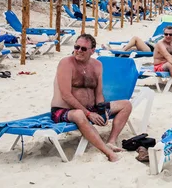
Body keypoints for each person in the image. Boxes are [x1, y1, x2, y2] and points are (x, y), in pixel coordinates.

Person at [51, 34, 132, 162]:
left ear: (92, 51)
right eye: (76, 47)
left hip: (90, 108)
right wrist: (88, 114)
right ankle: (108, 152)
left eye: (83, 48)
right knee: (79, 114)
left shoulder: (97, 65)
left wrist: (101, 110)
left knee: (126, 104)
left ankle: (111, 141)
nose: (78, 51)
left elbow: (98, 93)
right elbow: (66, 95)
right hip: (64, 110)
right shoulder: (66, 63)